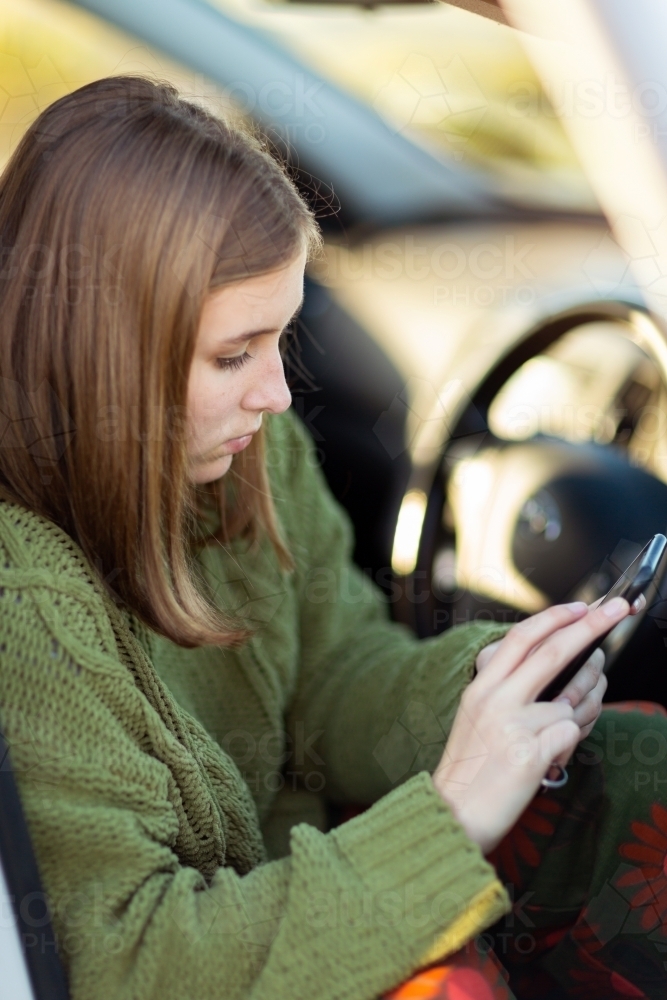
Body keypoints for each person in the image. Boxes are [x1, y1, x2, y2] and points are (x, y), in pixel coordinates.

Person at [0, 75, 664, 1000]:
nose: (274, 395)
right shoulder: (26, 610)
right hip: (240, 954)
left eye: (280, 339)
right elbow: (131, 963)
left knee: (641, 763)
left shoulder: (246, 454)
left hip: (318, 881)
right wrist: (449, 815)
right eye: (232, 356)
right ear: (103, 356)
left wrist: (491, 687)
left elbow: (334, 676)